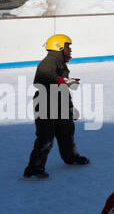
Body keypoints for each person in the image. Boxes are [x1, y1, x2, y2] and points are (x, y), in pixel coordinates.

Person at [24, 34, 90, 179]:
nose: (70, 50)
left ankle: (70, 157)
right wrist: (65, 80)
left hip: (59, 102)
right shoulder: (48, 62)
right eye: (68, 46)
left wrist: (70, 107)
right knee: (46, 135)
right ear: (59, 47)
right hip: (44, 102)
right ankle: (34, 167)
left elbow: (62, 89)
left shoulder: (60, 63)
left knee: (67, 131)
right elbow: (43, 78)